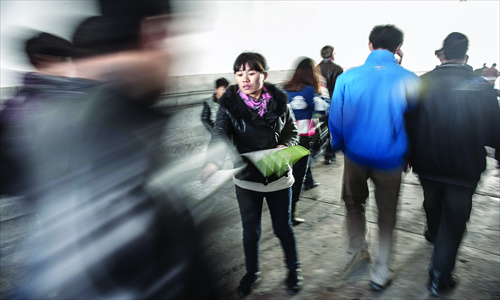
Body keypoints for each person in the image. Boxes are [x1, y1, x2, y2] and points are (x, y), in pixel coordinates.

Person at [15, 1, 217, 299]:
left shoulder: (69, 121)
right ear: (147, 34)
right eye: (165, 38)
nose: (172, 55)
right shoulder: (110, 138)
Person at [198, 52, 303, 297]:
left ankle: (293, 269)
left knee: (283, 228)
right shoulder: (229, 106)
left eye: (251, 72)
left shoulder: (280, 103)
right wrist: (213, 162)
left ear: (263, 75)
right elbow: (220, 134)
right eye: (239, 73)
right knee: (250, 231)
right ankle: (251, 272)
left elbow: (292, 132)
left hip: (278, 176)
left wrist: (284, 146)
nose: (245, 78)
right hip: (247, 179)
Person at [406, 32, 500, 297]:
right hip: (464, 166)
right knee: (456, 219)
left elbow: (408, 122)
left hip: (427, 163)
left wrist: (407, 156)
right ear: (465, 56)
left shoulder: (422, 82)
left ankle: (434, 234)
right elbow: (495, 127)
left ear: (443, 54)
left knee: (432, 201)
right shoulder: (480, 85)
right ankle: (439, 275)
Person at [328, 24, 420, 291]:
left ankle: (358, 251)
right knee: (387, 214)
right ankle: (381, 272)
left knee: (354, 203)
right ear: (398, 48)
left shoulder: (348, 77)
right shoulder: (410, 78)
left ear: (369, 45)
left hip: (356, 155)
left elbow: (336, 118)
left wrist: (340, 145)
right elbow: (414, 120)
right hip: (392, 158)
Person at [283, 57, 329, 225]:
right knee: (297, 176)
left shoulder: (284, 89)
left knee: (283, 176)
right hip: (302, 138)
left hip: (283, 138)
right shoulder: (310, 90)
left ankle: (280, 211)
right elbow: (322, 110)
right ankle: (290, 215)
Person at [317, 45, 343, 164]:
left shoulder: (316, 68)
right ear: (332, 55)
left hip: (320, 103)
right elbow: (340, 88)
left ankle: (328, 154)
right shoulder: (337, 69)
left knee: (324, 129)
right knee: (336, 128)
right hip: (334, 102)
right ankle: (337, 150)